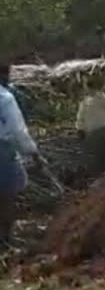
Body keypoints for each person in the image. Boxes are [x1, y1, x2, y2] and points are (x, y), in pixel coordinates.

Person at [0, 64, 46, 244]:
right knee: (8, 193)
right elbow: (17, 131)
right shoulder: (5, 97)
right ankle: (6, 239)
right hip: (2, 150)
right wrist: (33, 153)